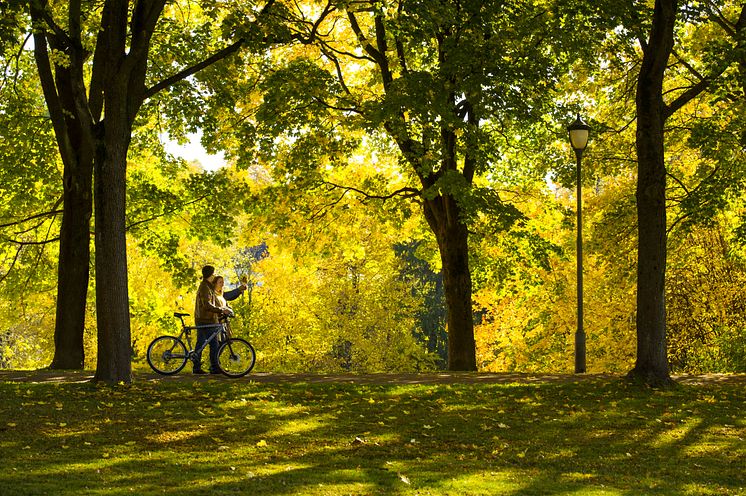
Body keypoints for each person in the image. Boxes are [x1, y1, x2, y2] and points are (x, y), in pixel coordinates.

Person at [193, 265, 229, 374]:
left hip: (206, 319)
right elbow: (207, 305)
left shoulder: (208, 286)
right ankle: (213, 367)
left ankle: (198, 367)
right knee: (213, 344)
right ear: (210, 275)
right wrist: (220, 310)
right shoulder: (205, 287)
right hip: (205, 319)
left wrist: (222, 309)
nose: (214, 276)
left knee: (202, 343)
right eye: (213, 274)